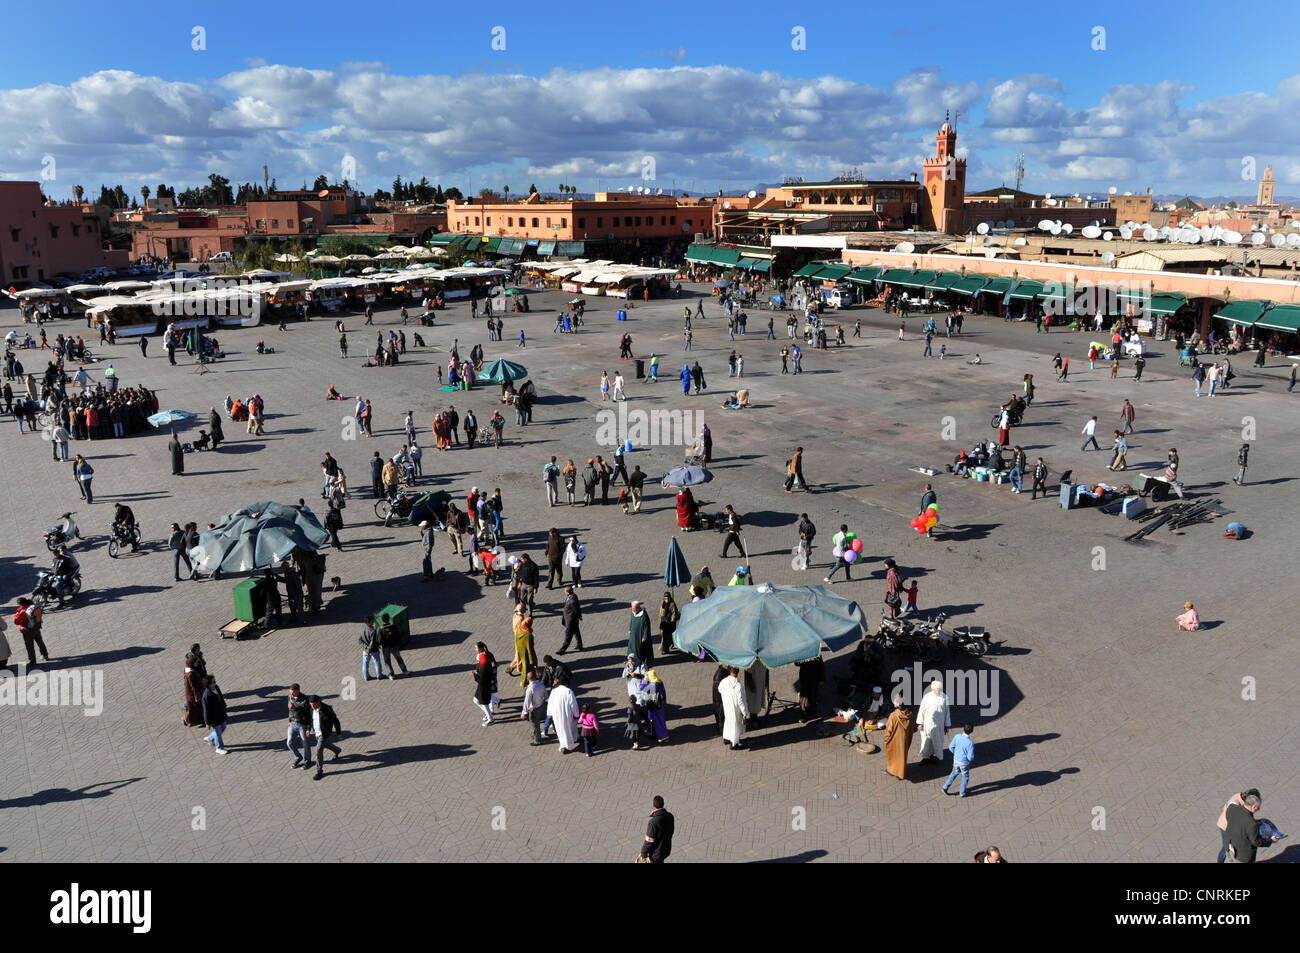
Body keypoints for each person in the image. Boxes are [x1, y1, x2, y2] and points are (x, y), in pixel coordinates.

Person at [1223, 793, 1279, 863]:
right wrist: (1270, 841)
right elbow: (1256, 842)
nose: (1258, 810)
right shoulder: (1251, 823)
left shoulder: (1232, 808)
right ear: (1254, 807)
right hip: (1241, 856)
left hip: (1229, 845)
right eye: (1258, 808)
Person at [916, 679, 951, 763]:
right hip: (927, 724)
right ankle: (925, 757)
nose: (937, 691)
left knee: (937, 742)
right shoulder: (927, 697)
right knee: (926, 741)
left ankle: (934, 756)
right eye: (936, 689)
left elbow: (947, 712)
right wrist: (920, 723)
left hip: (939, 725)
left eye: (939, 689)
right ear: (932, 689)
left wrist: (946, 725)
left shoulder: (944, 697)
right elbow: (921, 710)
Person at [308, 695, 342, 779]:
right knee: (325, 744)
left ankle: (319, 771)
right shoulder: (312, 709)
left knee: (319, 750)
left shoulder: (327, 709)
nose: (312, 706)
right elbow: (310, 719)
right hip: (316, 733)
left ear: (318, 702)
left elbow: (335, 721)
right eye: (311, 705)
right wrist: (308, 729)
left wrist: (338, 732)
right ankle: (337, 750)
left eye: (313, 705)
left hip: (324, 733)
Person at [546, 676, 580, 753]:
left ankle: (563, 745)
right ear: (566, 683)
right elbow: (573, 704)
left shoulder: (554, 691)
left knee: (560, 729)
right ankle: (573, 738)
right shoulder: (569, 691)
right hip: (567, 713)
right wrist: (576, 714)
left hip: (556, 714)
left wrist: (550, 713)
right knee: (571, 726)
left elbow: (550, 703)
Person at [718, 666, 749, 750]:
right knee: (735, 726)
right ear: (737, 673)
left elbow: (719, 689)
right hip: (735, 709)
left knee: (728, 722)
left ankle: (726, 738)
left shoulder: (724, 681)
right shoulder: (738, 685)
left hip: (727, 706)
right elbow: (740, 700)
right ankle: (734, 743)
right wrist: (744, 712)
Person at [14, 597, 50, 668]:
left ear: (20, 604)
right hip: (36, 627)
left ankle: (33, 661)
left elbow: (16, 621)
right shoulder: (32, 606)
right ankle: (45, 655)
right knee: (40, 642)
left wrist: (16, 614)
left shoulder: (23, 610)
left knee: (30, 647)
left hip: (27, 631)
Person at [883, 704, 916, 780]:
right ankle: (900, 773)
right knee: (902, 756)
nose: (893, 703)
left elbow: (889, 730)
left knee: (893, 756)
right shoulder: (910, 714)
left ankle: (891, 771)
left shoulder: (893, 716)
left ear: (898, 703)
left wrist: (886, 740)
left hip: (894, 740)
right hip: (904, 740)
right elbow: (912, 727)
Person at [286, 684, 314, 770]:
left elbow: (308, 714)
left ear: (298, 691)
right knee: (289, 742)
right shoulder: (290, 697)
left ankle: (307, 761)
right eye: (290, 693)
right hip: (293, 723)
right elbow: (290, 709)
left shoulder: (305, 699)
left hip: (303, 725)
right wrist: (289, 719)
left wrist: (309, 728)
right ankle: (298, 757)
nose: (292, 695)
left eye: (293, 693)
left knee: (305, 744)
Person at [472, 642, 500, 726]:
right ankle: (489, 714)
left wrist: (475, 675)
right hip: (482, 686)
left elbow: (481, 679)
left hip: (484, 687)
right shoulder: (484, 664)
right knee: (476, 700)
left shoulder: (484, 669)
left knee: (484, 702)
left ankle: (490, 718)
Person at [640, 795, 675, 863]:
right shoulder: (670, 816)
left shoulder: (653, 822)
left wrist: (643, 853)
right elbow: (671, 831)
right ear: (663, 804)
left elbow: (649, 841)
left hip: (655, 854)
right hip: (665, 849)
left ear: (654, 806)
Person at [378, 612, 408, 678]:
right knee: (399, 658)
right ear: (389, 619)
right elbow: (398, 636)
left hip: (385, 648)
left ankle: (391, 675)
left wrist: (383, 645)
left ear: (382, 620)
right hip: (394, 646)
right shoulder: (393, 626)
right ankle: (405, 671)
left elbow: (379, 640)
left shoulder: (381, 629)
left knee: (387, 661)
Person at [797, 654, 825, 722]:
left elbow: (821, 665)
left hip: (815, 677)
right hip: (805, 678)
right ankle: (803, 715)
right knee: (804, 697)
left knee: (813, 693)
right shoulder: (802, 651)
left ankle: (812, 708)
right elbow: (797, 663)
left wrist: (822, 678)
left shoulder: (816, 652)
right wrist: (802, 659)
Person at [627, 600, 653, 665]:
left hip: (640, 635)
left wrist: (644, 636)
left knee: (641, 648)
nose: (632, 609)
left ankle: (642, 660)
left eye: (634, 608)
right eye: (632, 608)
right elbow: (631, 621)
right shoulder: (633, 613)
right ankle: (634, 659)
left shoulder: (643, 616)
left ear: (638, 608)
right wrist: (630, 629)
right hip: (634, 635)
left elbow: (647, 627)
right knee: (632, 647)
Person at [559, 585, 584, 653]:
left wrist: (579, 616)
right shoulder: (573, 596)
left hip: (571, 620)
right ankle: (580, 645)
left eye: (565, 591)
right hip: (572, 619)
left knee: (568, 635)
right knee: (576, 632)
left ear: (568, 592)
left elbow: (576, 610)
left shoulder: (572, 601)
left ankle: (562, 649)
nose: (564, 592)